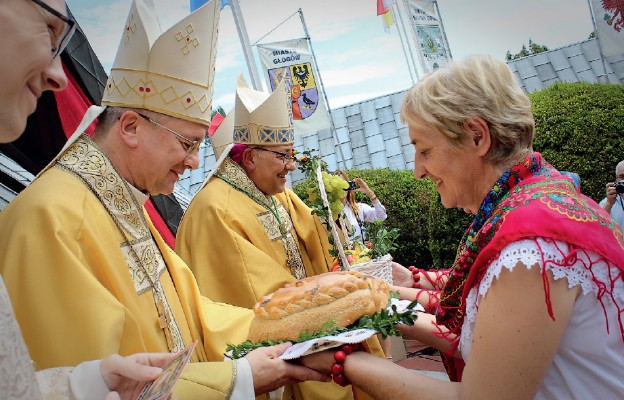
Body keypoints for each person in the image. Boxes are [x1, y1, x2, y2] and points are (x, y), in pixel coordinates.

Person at [0, 1, 327, 398]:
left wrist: (296, 323)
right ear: (131, 126)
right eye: (187, 144)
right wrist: (237, 379)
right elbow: (97, 381)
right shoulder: (48, 218)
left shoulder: (123, 199)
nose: (193, 163)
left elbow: (198, 315)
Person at [300, 55, 624, 399]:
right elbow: (477, 337)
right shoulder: (536, 201)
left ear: (476, 136)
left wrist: (343, 362)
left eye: (424, 150)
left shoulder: (530, 248)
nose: (417, 171)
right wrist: (377, 302)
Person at [176, 77, 384, 399]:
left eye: (292, 155)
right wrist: (331, 301)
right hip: (283, 346)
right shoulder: (214, 209)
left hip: (311, 325)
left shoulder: (273, 192)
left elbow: (318, 233)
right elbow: (253, 291)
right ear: (250, 158)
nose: (290, 166)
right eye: (283, 156)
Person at [333, 170, 387, 244]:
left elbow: (381, 217)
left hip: (361, 253)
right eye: (338, 185)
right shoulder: (330, 212)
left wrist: (370, 194)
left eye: (344, 183)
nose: (342, 188)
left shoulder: (359, 208)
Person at [599, 160, 624, 232]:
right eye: (622, 177)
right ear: (617, 179)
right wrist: (609, 204)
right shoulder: (606, 203)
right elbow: (599, 227)